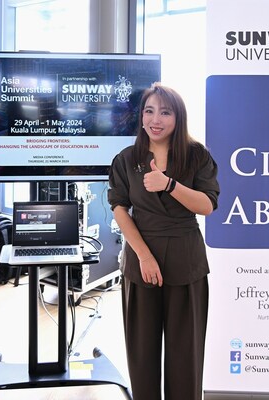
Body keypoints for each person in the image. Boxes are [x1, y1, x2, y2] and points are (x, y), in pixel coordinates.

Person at [108, 83, 219, 400]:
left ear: (178, 117)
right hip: (141, 260)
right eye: (149, 111)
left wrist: (168, 184)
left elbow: (206, 206)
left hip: (186, 260)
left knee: (186, 355)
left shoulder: (197, 156)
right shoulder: (127, 159)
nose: (156, 119)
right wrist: (143, 256)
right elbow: (120, 208)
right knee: (142, 355)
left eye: (165, 112)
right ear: (141, 116)